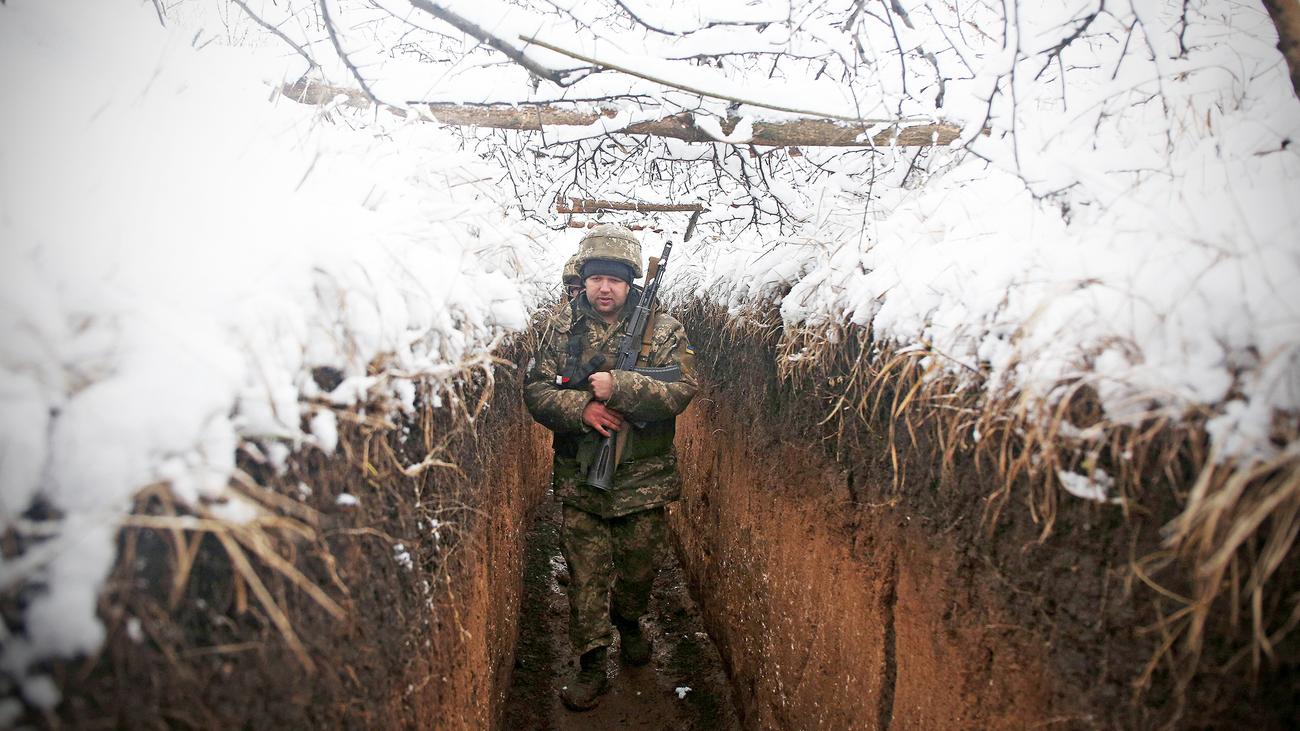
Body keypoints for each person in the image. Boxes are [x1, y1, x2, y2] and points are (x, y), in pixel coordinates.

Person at [523, 224, 698, 712]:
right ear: (584, 280)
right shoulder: (559, 328)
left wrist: (620, 386)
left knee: (640, 569)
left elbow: (682, 389)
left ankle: (629, 619)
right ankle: (592, 661)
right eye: (597, 278)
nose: (605, 288)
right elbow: (536, 390)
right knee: (585, 576)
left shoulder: (665, 330)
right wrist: (582, 409)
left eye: (615, 280)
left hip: (645, 482)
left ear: (630, 283)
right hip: (581, 479)